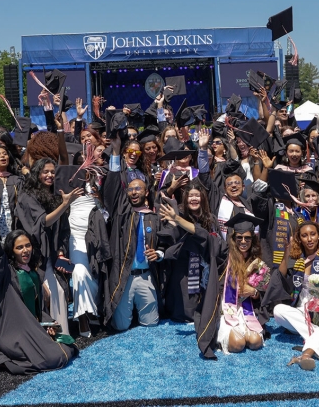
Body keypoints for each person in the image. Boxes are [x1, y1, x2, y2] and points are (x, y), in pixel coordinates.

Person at [162, 204, 267, 358]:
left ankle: (243, 330)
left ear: (253, 239)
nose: (243, 241)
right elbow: (204, 235)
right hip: (223, 308)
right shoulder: (224, 253)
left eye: (247, 238)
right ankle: (218, 333)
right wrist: (177, 219)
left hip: (245, 310)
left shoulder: (257, 262)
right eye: (239, 237)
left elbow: (265, 291)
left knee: (256, 342)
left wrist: (254, 292)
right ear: (233, 238)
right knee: (237, 344)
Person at [0, 220, 77, 374]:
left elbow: (38, 309)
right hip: (13, 332)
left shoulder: (33, 273)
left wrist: (48, 323)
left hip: (32, 327)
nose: (25, 250)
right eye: (19, 247)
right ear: (11, 251)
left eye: (27, 245)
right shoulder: (5, 274)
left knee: (68, 345)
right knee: (56, 357)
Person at [103, 135, 171, 331]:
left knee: (151, 324)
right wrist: (115, 153)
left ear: (146, 192)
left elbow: (166, 244)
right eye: (131, 189)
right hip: (125, 277)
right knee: (121, 326)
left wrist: (158, 254)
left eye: (138, 189)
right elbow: (113, 187)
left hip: (146, 276)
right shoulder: (121, 214)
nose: (134, 192)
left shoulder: (154, 217)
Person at [269, 221, 319, 371]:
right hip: (301, 311)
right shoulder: (297, 261)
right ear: (300, 239)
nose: (309, 239)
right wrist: (286, 252)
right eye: (304, 235)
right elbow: (280, 279)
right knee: (278, 310)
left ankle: (307, 353)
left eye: (313, 234)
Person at [16, 158, 79, 337]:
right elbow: (42, 222)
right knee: (44, 295)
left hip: (51, 255)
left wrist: (60, 252)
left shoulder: (55, 195)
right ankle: (44, 337)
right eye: (46, 172)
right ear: (37, 173)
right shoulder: (27, 196)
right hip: (34, 256)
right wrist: (65, 204)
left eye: (53, 172)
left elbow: (63, 229)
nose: (50, 175)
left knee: (59, 291)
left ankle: (61, 336)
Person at [59, 169, 109, 337]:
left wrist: (99, 197)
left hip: (96, 234)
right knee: (79, 272)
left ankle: (91, 309)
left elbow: (106, 213)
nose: (85, 173)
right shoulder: (70, 184)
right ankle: (81, 316)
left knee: (94, 274)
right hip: (75, 237)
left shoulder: (100, 185)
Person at [161, 182, 215, 323]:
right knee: (183, 310)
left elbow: (210, 239)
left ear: (202, 198)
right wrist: (173, 222)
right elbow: (170, 235)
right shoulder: (179, 214)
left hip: (204, 265)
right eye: (191, 196)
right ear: (186, 198)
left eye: (197, 195)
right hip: (183, 265)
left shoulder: (210, 218)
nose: (194, 199)